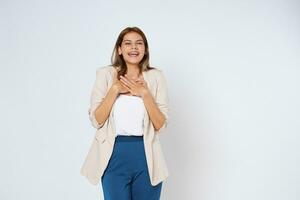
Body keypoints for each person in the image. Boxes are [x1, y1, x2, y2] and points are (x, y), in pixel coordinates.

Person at [80, 26, 170, 200]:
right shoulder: (105, 75)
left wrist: (144, 94)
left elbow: (161, 125)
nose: (134, 47)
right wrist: (114, 89)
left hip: (146, 157)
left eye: (139, 43)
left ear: (145, 49)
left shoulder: (156, 77)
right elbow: (96, 120)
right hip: (113, 156)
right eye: (128, 43)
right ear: (120, 49)